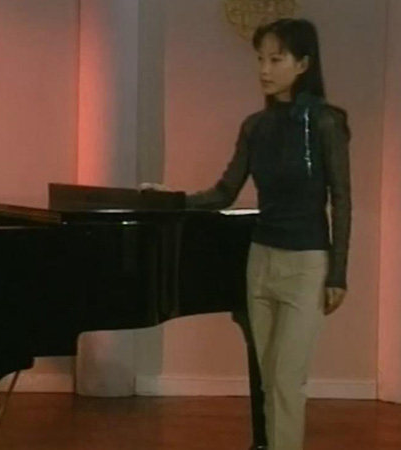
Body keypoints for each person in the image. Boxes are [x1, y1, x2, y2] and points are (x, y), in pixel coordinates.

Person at [145, 18, 351, 450]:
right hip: (260, 260)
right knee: (267, 379)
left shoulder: (326, 123)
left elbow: (342, 199)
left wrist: (338, 273)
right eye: (260, 59)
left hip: (306, 264)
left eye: (276, 59)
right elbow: (223, 192)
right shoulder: (255, 126)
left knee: (286, 380)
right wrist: (173, 200)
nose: (264, 69)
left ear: (303, 64)